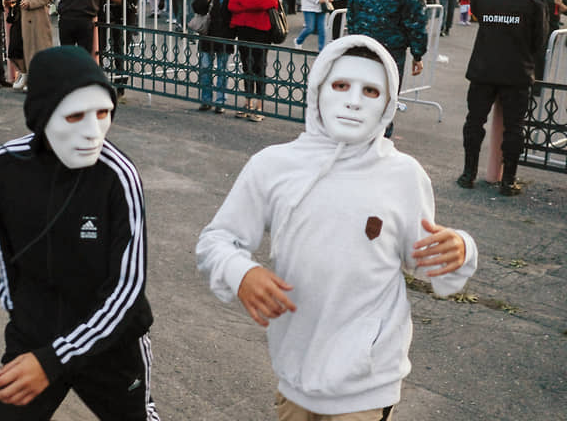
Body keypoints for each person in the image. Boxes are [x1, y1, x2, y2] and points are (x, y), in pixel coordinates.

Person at [197, 34, 478, 421]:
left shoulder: (403, 175)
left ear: (388, 104)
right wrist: (240, 271)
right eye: (341, 85)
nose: (353, 100)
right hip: (293, 373)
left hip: (367, 382)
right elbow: (216, 239)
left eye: (371, 90)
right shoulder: (274, 165)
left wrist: (460, 249)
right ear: (317, 90)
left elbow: (428, 260)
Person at [0, 46, 160, 421]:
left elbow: (128, 289)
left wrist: (57, 357)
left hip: (108, 340)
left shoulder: (119, 177)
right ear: (42, 115)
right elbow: (4, 252)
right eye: (75, 116)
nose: (92, 131)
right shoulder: (6, 166)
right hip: (36, 337)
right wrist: (26, 321)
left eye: (103, 113)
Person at [457, 0, 548, 196]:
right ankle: (508, 181)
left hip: (484, 67)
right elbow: (539, 39)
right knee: (514, 127)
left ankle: (468, 174)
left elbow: (477, 13)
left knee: (474, 122)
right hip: (516, 69)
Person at [347, 0, 427, 138]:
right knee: (386, 97)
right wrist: (418, 54)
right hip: (391, 50)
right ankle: (378, 141)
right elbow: (416, 19)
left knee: (360, 95)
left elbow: (351, 15)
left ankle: (358, 134)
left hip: (362, 46)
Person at [228, 0, 278, 122]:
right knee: (246, 67)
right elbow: (232, 5)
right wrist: (254, 1)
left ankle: (260, 105)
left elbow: (269, 3)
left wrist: (244, 2)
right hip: (243, 30)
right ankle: (247, 102)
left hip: (261, 32)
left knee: (259, 67)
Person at [192, 0, 238, 114]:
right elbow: (197, 7)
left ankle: (221, 101)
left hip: (226, 34)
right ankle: (206, 100)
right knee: (205, 68)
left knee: (223, 70)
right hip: (208, 33)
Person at [100, 0, 139, 102]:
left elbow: (128, 1)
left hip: (124, 19)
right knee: (100, 49)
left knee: (120, 52)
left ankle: (120, 87)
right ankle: (100, 84)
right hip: (106, 16)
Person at [534, 0, 567, 79]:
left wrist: (561, 5)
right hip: (533, 25)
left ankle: (538, 85)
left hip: (551, 27)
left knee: (543, 57)